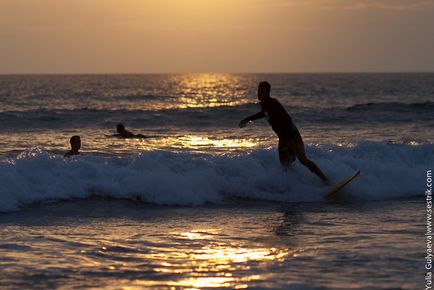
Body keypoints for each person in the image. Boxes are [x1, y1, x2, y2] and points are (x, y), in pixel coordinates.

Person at [239, 81, 329, 185]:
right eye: (259, 91)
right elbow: (263, 113)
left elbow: (287, 120)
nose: (259, 93)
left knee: (303, 160)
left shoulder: (273, 103)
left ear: (268, 93)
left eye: (263, 91)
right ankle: (294, 187)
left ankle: (325, 180)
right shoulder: (264, 104)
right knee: (285, 166)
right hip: (283, 138)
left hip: (292, 135)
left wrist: (288, 140)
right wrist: (247, 119)